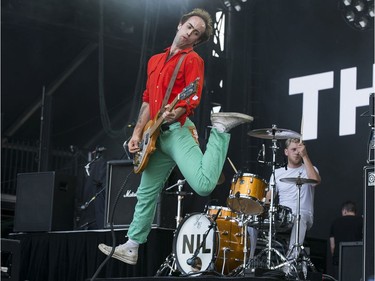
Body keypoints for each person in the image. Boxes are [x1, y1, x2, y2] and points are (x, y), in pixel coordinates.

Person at [98, 8, 253, 265]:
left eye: (197, 33)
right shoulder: (154, 61)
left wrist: (176, 111)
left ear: (197, 40)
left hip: (178, 129)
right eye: (189, 26)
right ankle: (133, 245)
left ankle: (221, 129)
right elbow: (148, 102)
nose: (190, 32)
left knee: (203, 185)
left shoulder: (193, 61)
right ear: (180, 25)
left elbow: (192, 98)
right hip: (154, 136)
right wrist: (137, 133)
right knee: (146, 193)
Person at [266, 138, 321, 262]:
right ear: (286, 152)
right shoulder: (277, 173)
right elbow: (269, 199)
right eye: (293, 149)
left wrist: (305, 156)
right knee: (251, 223)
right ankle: (251, 261)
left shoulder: (310, 169)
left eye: (299, 150)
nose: (297, 152)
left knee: (299, 217)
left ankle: (290, 262)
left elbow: (315, 182)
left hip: (303, 214)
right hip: (282, 216)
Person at [329, 200, 363, 279]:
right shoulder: (362, 221)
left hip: (339, 259)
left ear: (344, 211)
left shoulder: (335, 222)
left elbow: (332, 246)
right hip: (356, 259)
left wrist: (334, 256)